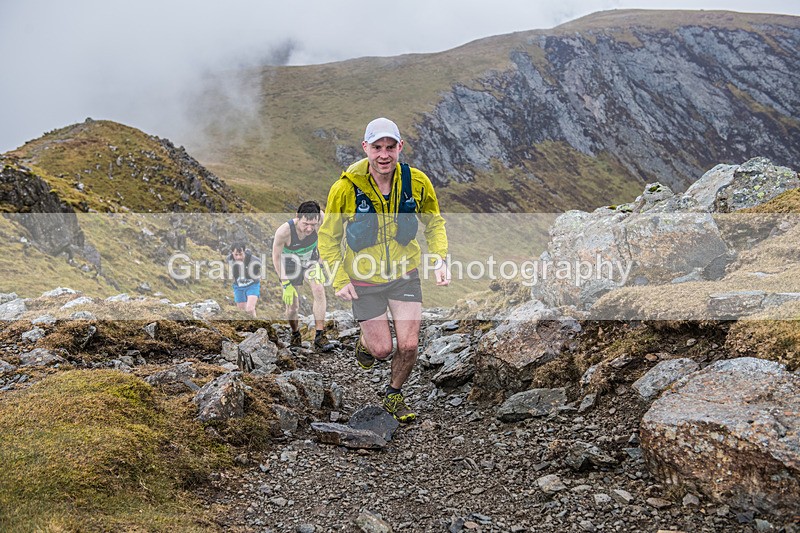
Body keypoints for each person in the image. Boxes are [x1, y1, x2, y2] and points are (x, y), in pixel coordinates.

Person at [318, 117, 450, 423]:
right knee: (381, 350)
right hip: (363, 279)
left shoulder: (416, 182)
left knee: (409, 345)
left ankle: (393, 394)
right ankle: (365, 343)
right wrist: (338, 278)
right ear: (365, 147)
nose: (384, 155)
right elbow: (328, 238)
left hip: (404, 273)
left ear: (400, 147)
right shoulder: (345, 189)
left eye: (390, 147)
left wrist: (439, 258)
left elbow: (434, 222)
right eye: (377, 147)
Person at [272, 201, 334, 352]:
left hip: (310, 262)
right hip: (289, 265)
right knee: (292, 307)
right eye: (306, 224)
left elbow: (326, 242)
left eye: (313, 225)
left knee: (319, 289)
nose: (309, 229)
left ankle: (319, 336)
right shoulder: (284, 232)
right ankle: (295, 334)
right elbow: (276, 257)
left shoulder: (321, 219)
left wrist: (319, 265)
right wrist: (285, 283)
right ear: (297, 217)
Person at [227, 242, 262, 318]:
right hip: (238, 286)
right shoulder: (229, 259)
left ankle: (256, 323)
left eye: (241, 254)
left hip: (252, 285)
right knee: (242, 312)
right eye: (236, 255)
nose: (238, 257)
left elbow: (261, 268)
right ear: (232, 252)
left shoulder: (254, 260)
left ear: (244, 251)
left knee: (250, 309)